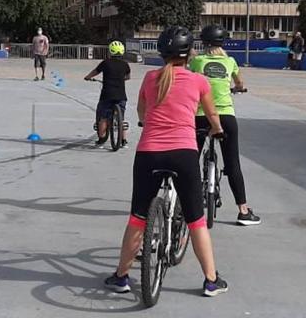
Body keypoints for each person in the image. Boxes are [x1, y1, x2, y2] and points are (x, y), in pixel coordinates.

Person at [105, 26, 228, 297]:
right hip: (183, 153)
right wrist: (217, 130)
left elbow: (141, 111)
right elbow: (212, 115)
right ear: (189, 54)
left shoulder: (150, 79)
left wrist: (145, 121)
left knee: (138, 217)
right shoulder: (198, 81)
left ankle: (121, 276)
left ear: (161, 53)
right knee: (196, 220)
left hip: (149, 153)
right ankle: (210, 280)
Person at [190, 25, 262, 226]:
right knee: (233, 164)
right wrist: (237, 88)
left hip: (201, 115)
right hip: (226, 117)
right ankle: (243, 211)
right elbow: (239, 83)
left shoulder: (197, 61)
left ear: (203, 43)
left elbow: (188, 80)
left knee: (190, 160)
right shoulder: (230, 62)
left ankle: (182, 206)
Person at [84, 40, 131, 148]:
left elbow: (95, 71)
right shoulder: (125, 65)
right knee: (121, 118)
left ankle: (101, 140)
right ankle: (123, 141)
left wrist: (88, 77)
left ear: (110, 51)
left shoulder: (105, 63)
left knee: (103, 116)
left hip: (107, 94)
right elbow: (128, 77)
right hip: (121, 95)